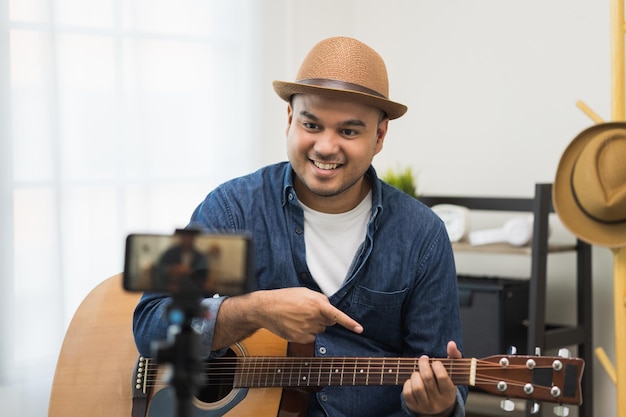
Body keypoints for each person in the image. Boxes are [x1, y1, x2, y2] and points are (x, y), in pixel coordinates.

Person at [133, 36, 468, 417]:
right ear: (290, 120)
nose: (325, 147)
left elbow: (445, 381)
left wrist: (437, 408)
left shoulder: (423, 235)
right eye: (311, 124)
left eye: (348, 131)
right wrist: (254, 310)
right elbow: (151, 323)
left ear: (379, 136)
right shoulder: (230, 209)